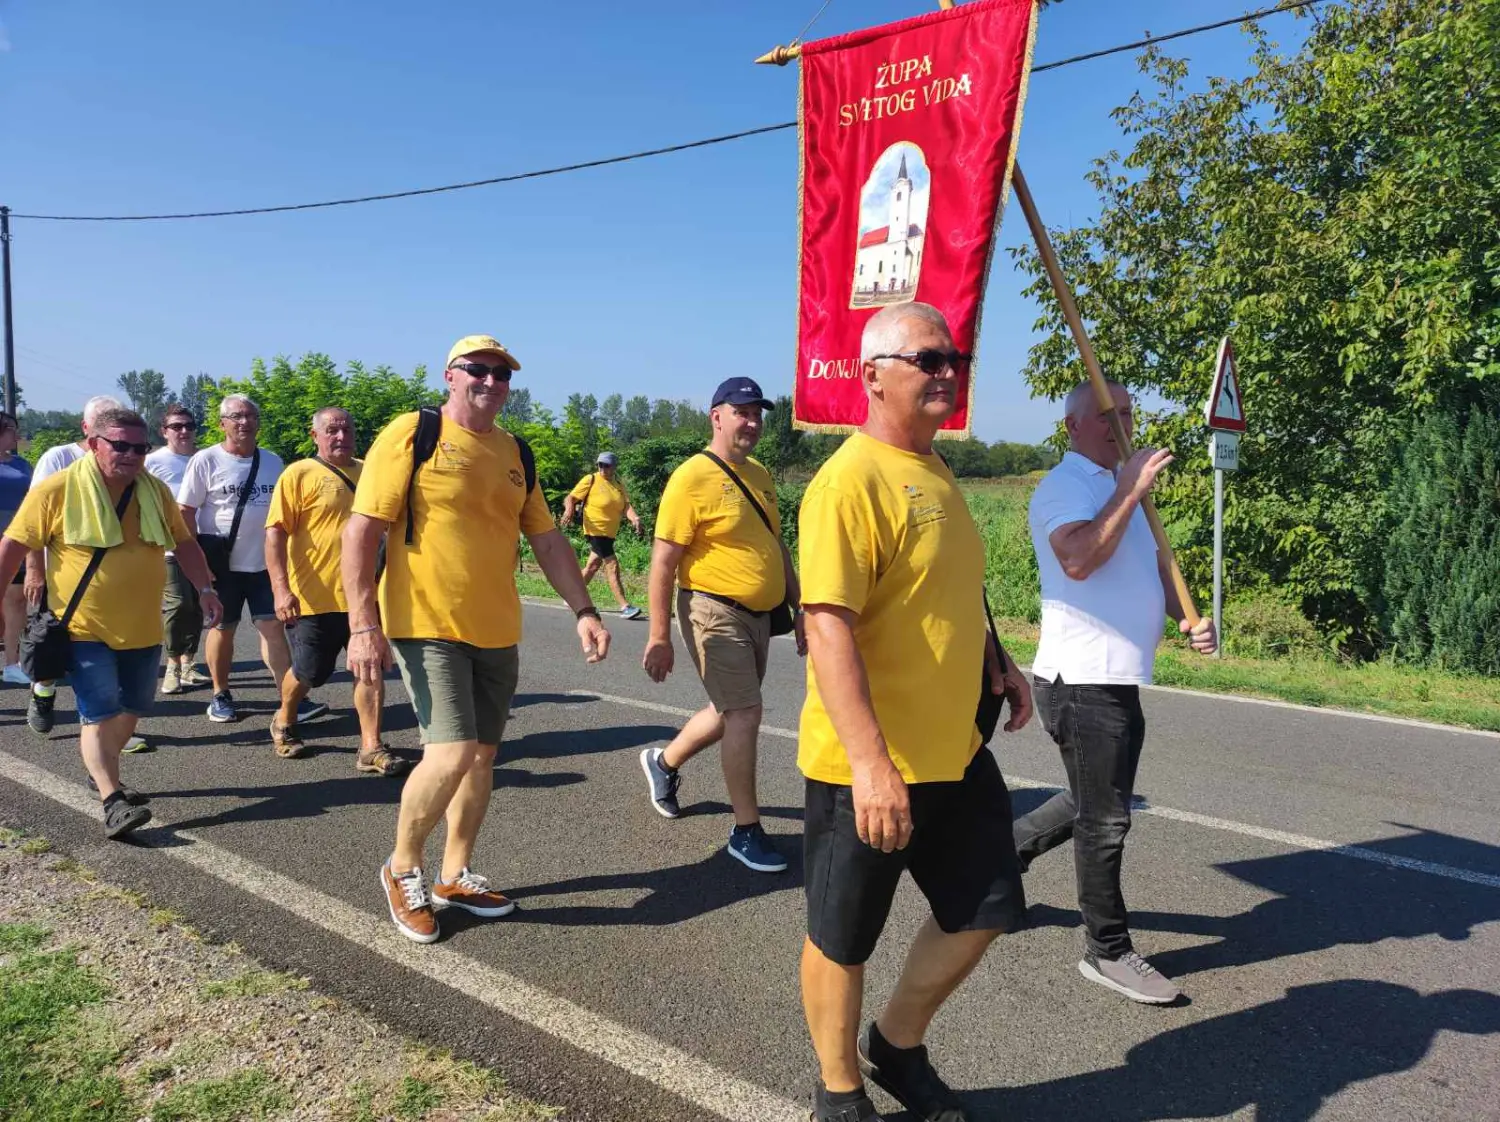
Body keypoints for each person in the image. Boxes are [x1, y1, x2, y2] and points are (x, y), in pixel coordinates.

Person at [797, 303, 1032, 1122]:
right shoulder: (847, 482)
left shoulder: (936, 469)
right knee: (843, 935)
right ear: (872, 375)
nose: (947, 372)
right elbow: (826, 629)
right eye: (928, 359)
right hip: (866, 763)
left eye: (954, 358)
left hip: (955, 751)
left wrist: (997, 659)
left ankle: (895, 1046)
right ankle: (837, 1091)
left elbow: (950, 589)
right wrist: (869, 764)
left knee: (987, 909)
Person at [344, 334, 611, 944]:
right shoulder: (414, 432)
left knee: (483, 756)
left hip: (496, 626)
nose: (491, 381)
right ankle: (402, 866)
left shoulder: (517, 452)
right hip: (424, 620)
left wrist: (585, 610)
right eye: (478, 371)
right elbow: (363, 530)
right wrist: (362, 624)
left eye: (502, 374)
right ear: (450, 375)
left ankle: (454, 873)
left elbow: (546, 539)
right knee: (451, 751)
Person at [1011, 379, 1217, 1005]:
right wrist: (1129, 489)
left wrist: (1188, 617)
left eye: (1125, 412)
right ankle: (1107, 951)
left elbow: (1155, 562)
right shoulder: (1066, 487)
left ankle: (1001, 855)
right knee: (1106, 820)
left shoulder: (1124, 489)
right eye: (1104, 415)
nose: (1118, 423)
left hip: (1117, 679)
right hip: (1081, 679)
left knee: (1087, 800)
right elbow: (1077, 559)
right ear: (1072, 426)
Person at [0, 408, 223, 839]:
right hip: (84, 627)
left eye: (139, 447)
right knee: (99, 713)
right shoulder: (57, 490)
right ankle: (111, 798)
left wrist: (206, 589)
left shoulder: (154, 491)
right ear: (94, 443)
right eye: (120, 445)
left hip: (142, 627)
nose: (131, 455)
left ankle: (98, 768)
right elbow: (13, 545)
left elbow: (184, 542)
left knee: (134, 708)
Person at [639, 377, 805, 874]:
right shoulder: (692, 477)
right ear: (717, 416)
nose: (752, 422)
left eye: (757, 414)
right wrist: (659, 634)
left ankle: (663, 763)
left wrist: (802, 612)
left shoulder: (760, 475)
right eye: (742, 412)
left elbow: (777, 548)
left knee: (729, 708)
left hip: (759, 617)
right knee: (746, 712)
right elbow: (663, 562)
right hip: (712, 610)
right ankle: (745, 830)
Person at [264, 406, 404, 775]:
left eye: (347, 429)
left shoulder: (370, 473)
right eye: (331, 431)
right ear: (315, 436)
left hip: (365, 597)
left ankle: (371, 747)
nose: (341, 436)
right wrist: (281, 589)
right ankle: (284, 718)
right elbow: (275, 532)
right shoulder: (298, 474)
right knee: (309, 671)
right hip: (314, 596)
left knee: (369, 667)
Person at [178, 394, 327, 726]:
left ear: (258, 422)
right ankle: (220, 695)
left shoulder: (273, 462)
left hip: (264, 565)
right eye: (236, 417)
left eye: (250, 416)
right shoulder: (205, 461)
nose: (244, 422)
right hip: (222, 565)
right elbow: (185, 511)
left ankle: (289, 698)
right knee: (223, 628)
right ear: (222, 424)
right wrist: (197, 557)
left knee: (273, 628)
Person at [23, 395, 129, 737]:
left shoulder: (125, 462)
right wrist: (35, 569)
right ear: (86, 428)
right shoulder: (60, 458)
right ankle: (43, 693)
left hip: (109, 580)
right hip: (61, 574)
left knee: (103, 654)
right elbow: (32, 520)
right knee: (52, 643)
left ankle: (102, 731)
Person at [145, 404, 212, 694]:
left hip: (204, 543)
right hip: (168, 546)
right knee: (178, 604)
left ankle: (189, 663)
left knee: (200, 604)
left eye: (189, 425)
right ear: (164, 431)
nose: (184, 431)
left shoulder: (205, 459)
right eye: (176, 426)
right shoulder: (152, 462)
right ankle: (172, 666)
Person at [562, 451, 643, 619]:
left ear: (614, 467)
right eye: (600, 465)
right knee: (612, 565)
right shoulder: (590, 480)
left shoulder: (619, 484)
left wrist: (634, 518)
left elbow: (626, 506)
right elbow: (571, 497)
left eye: (606, 465)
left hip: (609, 532)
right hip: (594, 529)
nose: (602, 469)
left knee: (592, 566)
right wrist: (569, 510)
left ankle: (571, 597)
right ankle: (625, 606)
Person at [0, 412, 33, 685]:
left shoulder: (22, 465)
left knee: (16, 601)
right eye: (13, 429)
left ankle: (13, 662)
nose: (17, 435)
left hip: (17, 540)